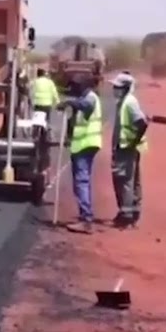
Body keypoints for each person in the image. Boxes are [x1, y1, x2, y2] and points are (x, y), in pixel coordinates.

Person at [56, 76, 102, 232]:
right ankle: (85, 215)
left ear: (82, 87)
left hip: (86, 144)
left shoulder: (90, 98)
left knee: (81, 181)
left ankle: (86, 219)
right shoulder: (85, 97)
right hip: (82, 145)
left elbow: (85, 106)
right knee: (82, 181)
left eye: (75, 88)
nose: (72, 91)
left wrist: (68, 103)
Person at [109, 72, 148, 228]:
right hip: (126, 146)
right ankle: (132, 211)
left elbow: (142, 123)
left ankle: (126, 215)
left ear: (125, 88)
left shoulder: (129, 103)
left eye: (117, 87)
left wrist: (133, 142)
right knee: (131, 180)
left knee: (124, 180)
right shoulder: (124, 101)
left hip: (127, 147)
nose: (114, 89)